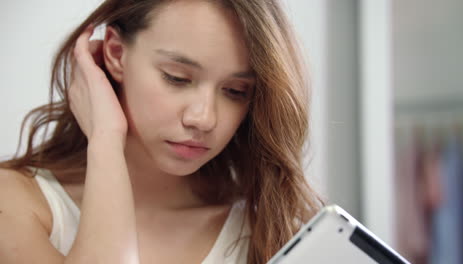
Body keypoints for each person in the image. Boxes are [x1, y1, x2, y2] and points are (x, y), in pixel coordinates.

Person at [0, 0, 323, 263]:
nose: (204, 118)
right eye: (177, 77)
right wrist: (105, 141)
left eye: (236, 91)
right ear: (115, 53)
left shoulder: (271, 234)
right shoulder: (16, 201)